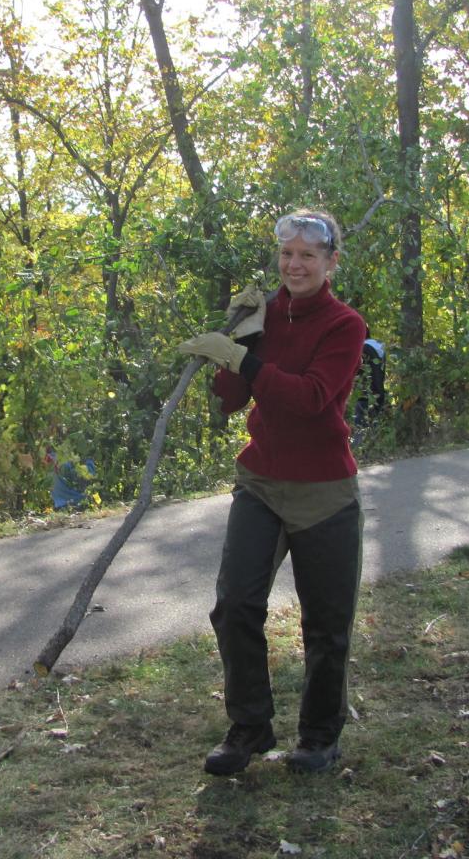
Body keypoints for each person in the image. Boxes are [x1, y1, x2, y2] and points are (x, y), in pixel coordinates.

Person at [177, 209, 366, 775]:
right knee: (235, 603)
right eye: (288, 253)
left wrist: (242, 355)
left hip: (325, 492)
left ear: (330, 263)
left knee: (326, 626)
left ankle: (319, 736)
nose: (295, 264)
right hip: (260, 481)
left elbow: (310, 399)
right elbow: (233, 398)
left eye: (309, 255)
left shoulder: (344, 325)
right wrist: (241, 335)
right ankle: (250, 727)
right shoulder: (265, 315)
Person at [352, 328, 386, 436]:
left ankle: (359, 446)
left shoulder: (363, 348)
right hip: (379, 391)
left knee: (360, 423)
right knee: (375, 421)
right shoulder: (380, 346)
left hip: (364, 393)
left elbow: (358, 372)